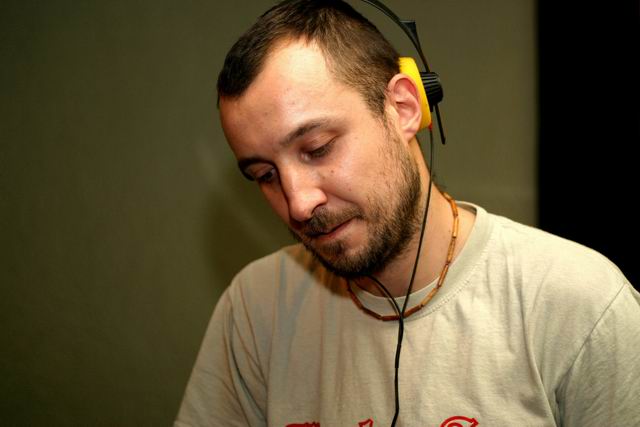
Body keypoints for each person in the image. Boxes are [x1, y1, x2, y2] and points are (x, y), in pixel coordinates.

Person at [175, 1, 640, 426]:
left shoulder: (578, 304)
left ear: (403, 107)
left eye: (317, 148)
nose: (298, 203)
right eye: (265, 175)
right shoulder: (255, 309)